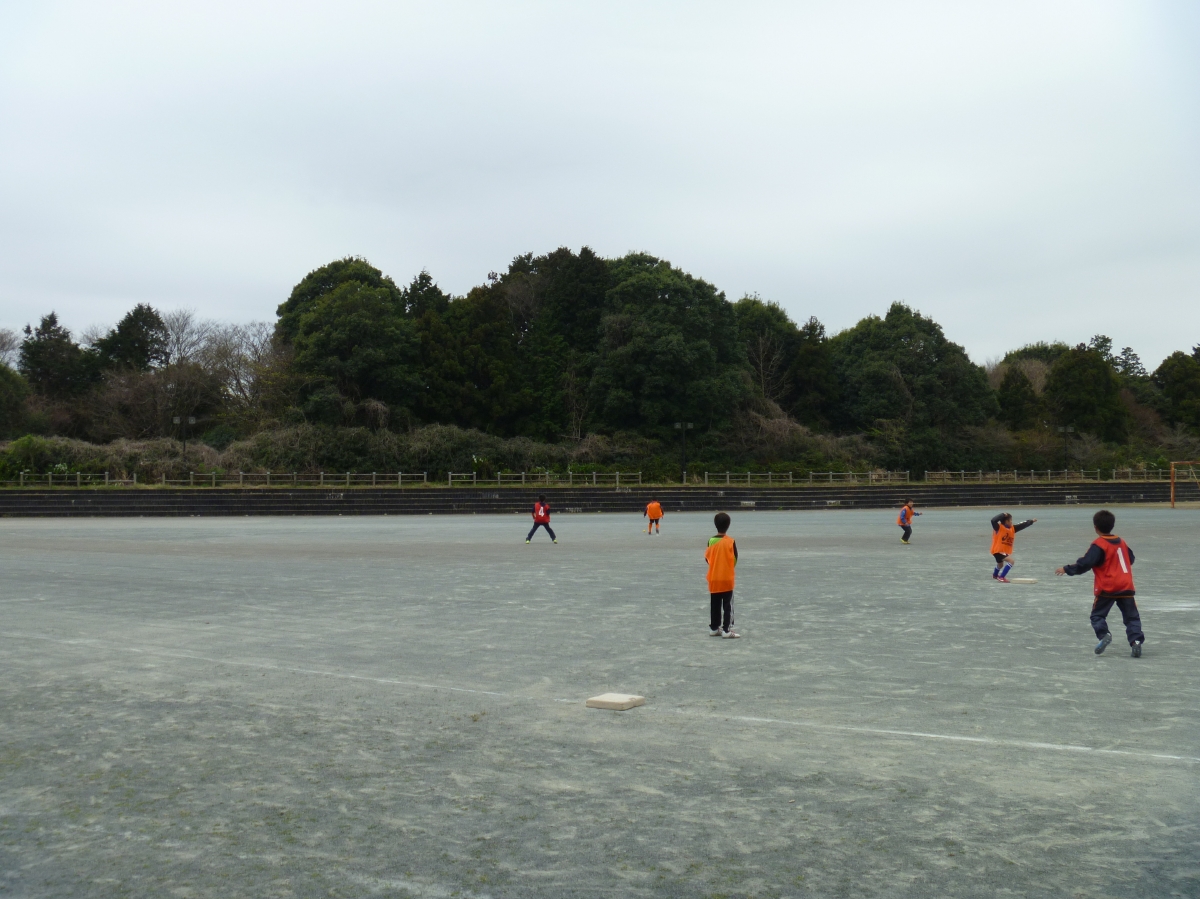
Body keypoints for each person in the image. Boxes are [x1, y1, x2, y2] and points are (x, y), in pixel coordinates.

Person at [1055, 509, 1145, 657]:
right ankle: (1136, 641)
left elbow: (1086, 563)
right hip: (1126, 586)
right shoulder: (1122, 542)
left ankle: (1104, 635)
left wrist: (1067, 569)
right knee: (1132, 617)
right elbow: (1131, 559)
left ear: (1095, 527)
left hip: (1108, 587)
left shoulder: (1099, 544)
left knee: (1097, 616)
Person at [705, 512, 739, 638]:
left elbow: (707, 558)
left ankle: (714, 628)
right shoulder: (730, 541)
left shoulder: (711, 541)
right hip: (726, 578)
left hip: (714, 578)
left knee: (715, 604)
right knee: (727, 605)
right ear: (728, 525)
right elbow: (735, 558)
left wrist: (716, 566)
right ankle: (726, 630)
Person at [990, 512, 1038, 582]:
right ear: (1006, 521)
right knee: (1011, 561)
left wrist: (1031, 521)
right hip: (998, 551)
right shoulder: (998, 528)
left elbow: (1022, 525)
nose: (1011, 522)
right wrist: (1003, 515)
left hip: (1001, 551)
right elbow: (993, 520)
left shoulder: (1012, 528)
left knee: (1000, 565)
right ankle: (1001, 577)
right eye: (1010, 520)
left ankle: (995, 575)